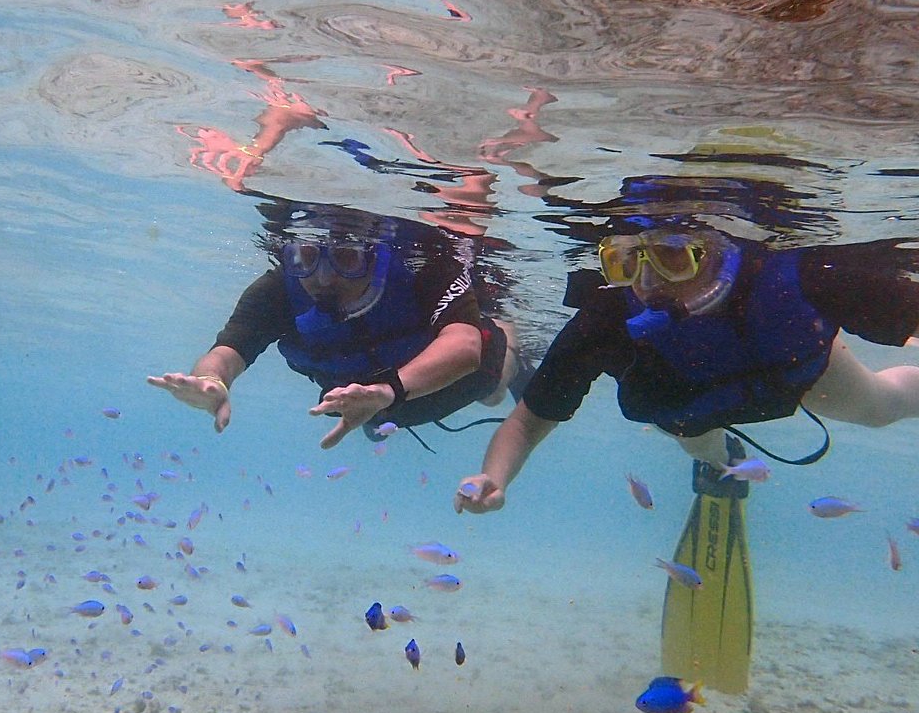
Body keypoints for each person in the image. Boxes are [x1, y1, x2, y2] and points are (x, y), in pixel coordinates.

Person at [454, 222, 919, 514]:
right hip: (692, 410)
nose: (649, 283)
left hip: (799, 371)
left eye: (673, 256)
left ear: (716, 249)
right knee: (704, 452)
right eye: (626, 262)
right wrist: (494, 477)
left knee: (882, 407)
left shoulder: (798, 276)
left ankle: (720, 458)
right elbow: (529, 421)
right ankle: (723, 463)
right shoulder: (606, 321)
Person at [148, 205, 531, 449]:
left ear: (376, 257)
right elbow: (226, 353)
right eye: (306, 258)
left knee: (493, 392)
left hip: (457, 382)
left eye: (346, 259)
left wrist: (387, 390)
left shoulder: (422, 267)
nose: (324, 278)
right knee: (376, 425)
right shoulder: (277, 291)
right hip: (371, 407)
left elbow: (464, 347)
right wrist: (213, 382)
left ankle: (506, 328)